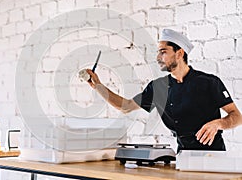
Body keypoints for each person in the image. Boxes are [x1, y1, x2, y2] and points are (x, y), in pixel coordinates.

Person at [86, 29, 242, 152]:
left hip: (214, 156)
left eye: (163, 51)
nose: (158, 57)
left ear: (179, 53)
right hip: (183, 155)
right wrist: (99, 86)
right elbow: (125, 106)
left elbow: (237, 117)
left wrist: (219, 123)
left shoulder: (209, 82)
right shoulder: (158, 87)